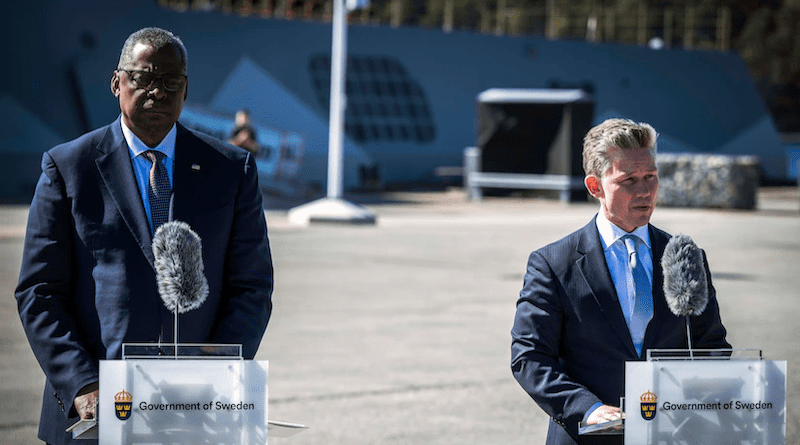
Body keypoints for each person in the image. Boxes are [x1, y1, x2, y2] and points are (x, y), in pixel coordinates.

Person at [15, 27, 274, 445]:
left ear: (185, 90)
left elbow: (252, 286)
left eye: (171, 82)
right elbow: (39, 291)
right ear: (117, 82)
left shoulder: (232, 170)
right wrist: (82, 384)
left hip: (197, 410)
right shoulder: (68, 169)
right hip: (95, 414)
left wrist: (215, 370)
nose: (156, 91)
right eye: (143, 78)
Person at [510, 118, 730, 445]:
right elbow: (529, 356)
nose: (644, 192)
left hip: (670, 435)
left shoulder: (686, 255)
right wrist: (587, 408)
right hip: (587, 436)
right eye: (628, 181)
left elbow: (710, 346)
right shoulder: (553, 264)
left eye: (650, 177)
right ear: (595, 186)